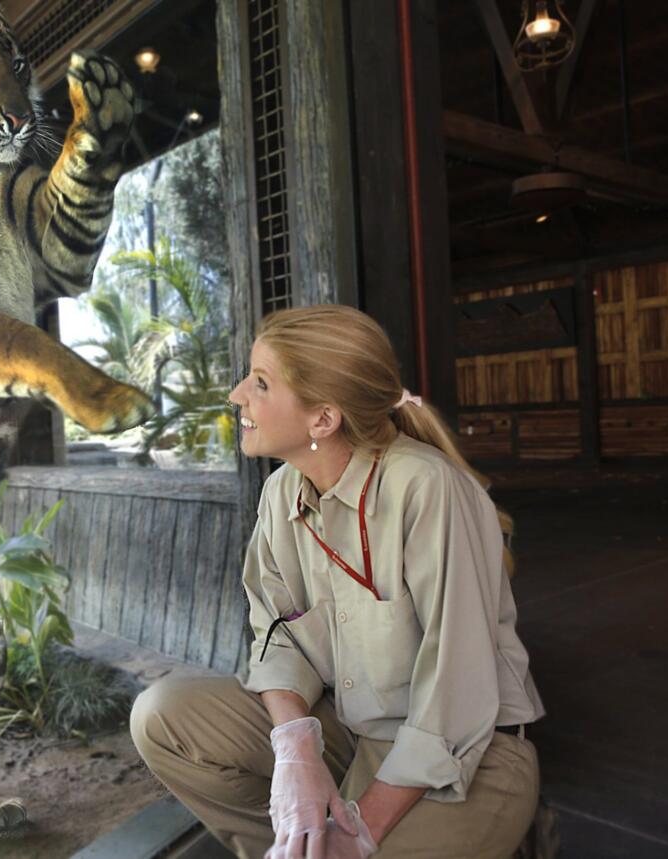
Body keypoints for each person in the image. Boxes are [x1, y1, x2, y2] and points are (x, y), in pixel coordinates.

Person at [131, 305, 545, 859]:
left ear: (322, 420)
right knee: (163, 716)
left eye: (260, 383)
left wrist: (361, 830)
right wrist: (295, 750)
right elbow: (277, 635)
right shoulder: (281, 494)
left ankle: (503, 834)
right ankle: (296, 842)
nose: (236, 396)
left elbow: (458, 694)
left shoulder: (424, 488)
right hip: (350, 733)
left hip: (467, 754)